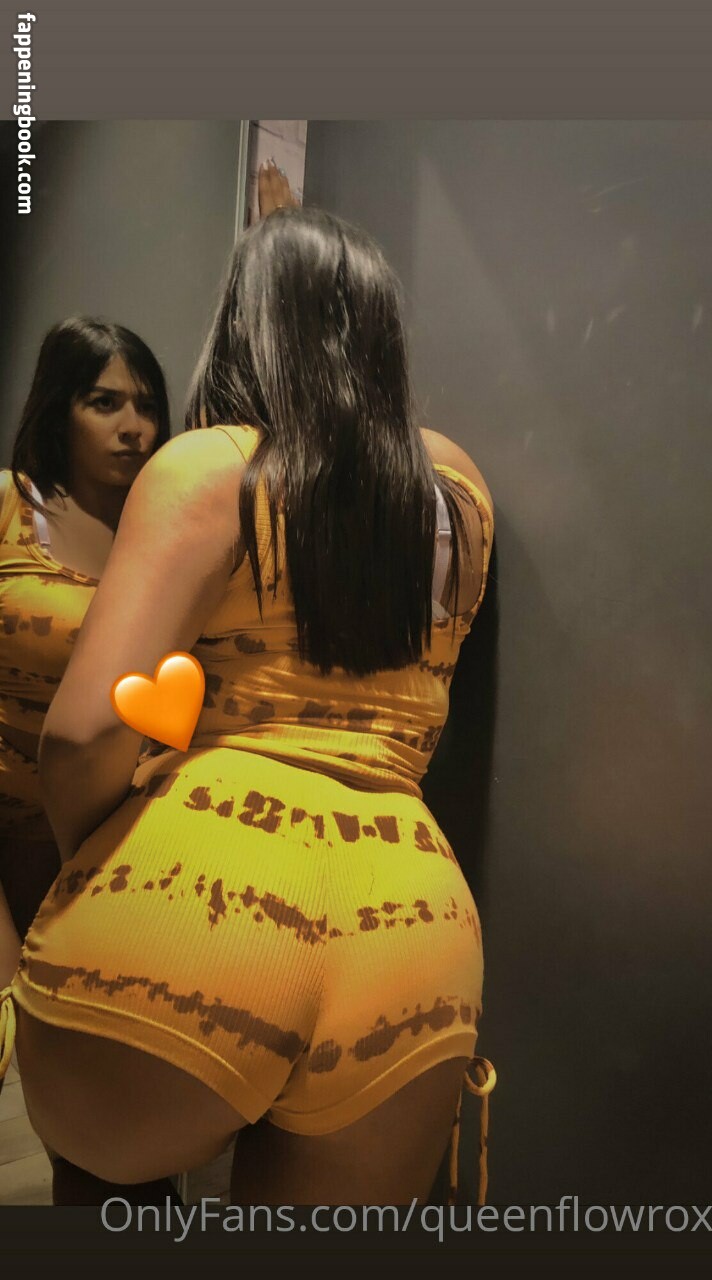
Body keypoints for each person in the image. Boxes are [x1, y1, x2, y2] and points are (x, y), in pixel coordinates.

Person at [1, 196, 496, 1206]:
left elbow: (86, 733)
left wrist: (99, 863)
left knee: (112, 1208)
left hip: (194, 897)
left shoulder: (211, 465)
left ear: (246, 322)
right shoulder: (456, 486)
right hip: (412, 926)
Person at [0, 316, 174, 1203]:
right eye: (104, 403)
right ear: (57, 409)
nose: (132, 427)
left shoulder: (170, 529)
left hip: (125, 859)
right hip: (15, 846)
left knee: (118, 1132)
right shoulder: (11, 505)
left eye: (146, 406)